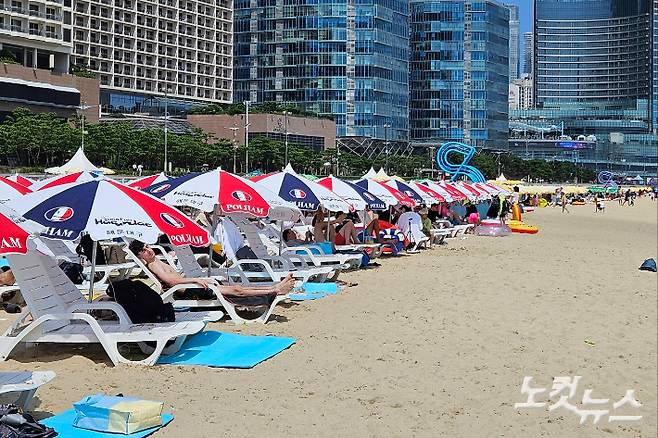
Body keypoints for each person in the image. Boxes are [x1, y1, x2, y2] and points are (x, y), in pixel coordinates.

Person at [129, 240, 294, 299]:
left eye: (147, 246)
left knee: (237, 287)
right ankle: (274, 291)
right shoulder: (153, 265)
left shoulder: (157, 259)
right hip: (189, 290)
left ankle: (274, 287)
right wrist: (196, 279)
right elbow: (171, 281)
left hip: (193, 285)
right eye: (144, 250)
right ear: (140, 255)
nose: (149, 250)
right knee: (237, 290)